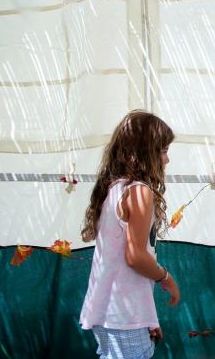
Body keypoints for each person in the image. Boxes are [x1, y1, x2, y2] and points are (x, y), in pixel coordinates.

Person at [79, 110, 181, 358]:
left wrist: (146, 317)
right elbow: (134, 256)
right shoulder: (138, 192)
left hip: (111, 314)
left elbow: (117, 264)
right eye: (163, 151)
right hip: (123, 316)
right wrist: (166, 278)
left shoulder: (113, 188)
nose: (167, 160)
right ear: (146, 153)